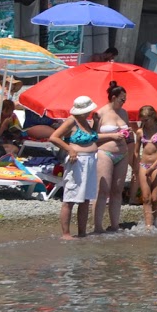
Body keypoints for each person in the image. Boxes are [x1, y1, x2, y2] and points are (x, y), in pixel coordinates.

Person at [50, 95, 101, 240]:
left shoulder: (86, 121)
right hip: (77, 161)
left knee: (85, 199)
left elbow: (93, 138)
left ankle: (82, 232)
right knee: (70, 198)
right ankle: (65, 233)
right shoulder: (72, 121)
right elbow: (54, 137)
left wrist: (96, 124)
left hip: (90, 160)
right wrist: (70, 149)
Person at [93, 82, 134, 233]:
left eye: (125, 99)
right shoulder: (100, 113)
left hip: (122, 153)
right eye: (122, 99)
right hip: (105, 152)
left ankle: (114, 225)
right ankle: (98, 226)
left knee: (117, 190)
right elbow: (93, 136)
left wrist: (128, 133)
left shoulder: (124, 113)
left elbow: (128, 134)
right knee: (103, 190)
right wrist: (112, 135)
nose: (124, 102)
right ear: (114, 97)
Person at [134, 105, 157, 229]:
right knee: (146, 197)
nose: (144, 122)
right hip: (144, 164)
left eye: (146, 120)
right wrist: (135, 167)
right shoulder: (140, 132)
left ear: (153, 117)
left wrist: (152, 168)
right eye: (142, 120)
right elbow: (136, 151)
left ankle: (155, 221)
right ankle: (149, 226)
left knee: (154, 198)